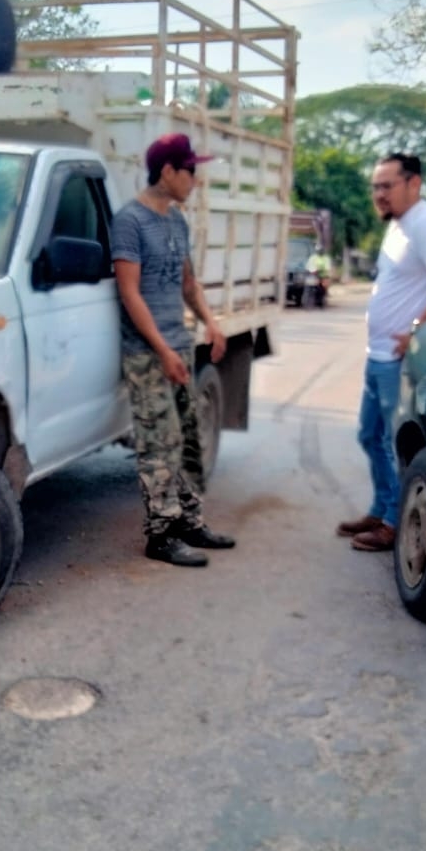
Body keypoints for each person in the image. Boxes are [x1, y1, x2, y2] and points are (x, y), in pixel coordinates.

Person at [111, 133, 237, 567]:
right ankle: (160, 535)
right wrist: (162, 349)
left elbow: (188, 285)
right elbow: (130, 293)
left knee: (186, 441)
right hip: (147, 353)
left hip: (178, 346)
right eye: (191, 172)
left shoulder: (177, 221)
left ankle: (188, 521)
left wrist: (211, 322)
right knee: (158, 443)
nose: (195, 181)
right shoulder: (130, 221)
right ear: (167, 172)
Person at [338, 152, 426, 552]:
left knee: (393, 440)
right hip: (378, 354)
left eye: (387, 186)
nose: (379, 194)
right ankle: (381, 509)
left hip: (398, 361)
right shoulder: (400, 224)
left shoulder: (425, 224)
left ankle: (394, 522)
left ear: (414, 184)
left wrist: (417, 329)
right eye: (375, 186)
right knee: (370, 434)